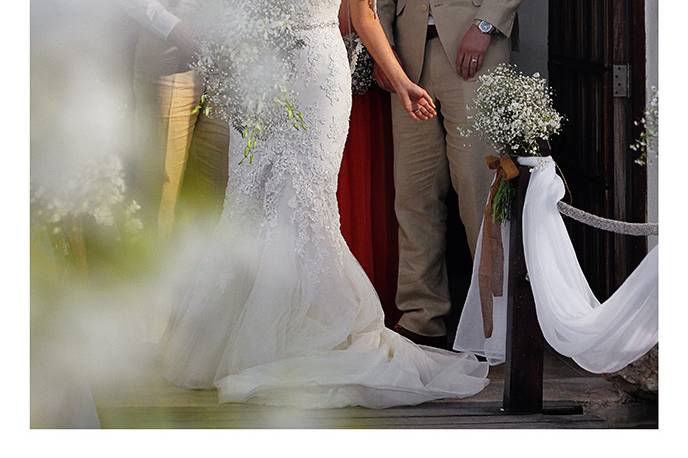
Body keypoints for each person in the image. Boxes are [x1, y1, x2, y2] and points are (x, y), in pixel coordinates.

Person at [160, 0, 489, 409]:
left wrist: (400, 80)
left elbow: (362, 14)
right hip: (256, 78)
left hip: (318, 77)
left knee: (305, 205)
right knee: (250, 202)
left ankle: (307, 335)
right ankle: (247, 338)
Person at [376, 0, 522, 348]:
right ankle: (420, 316)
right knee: (414, 193)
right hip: (407, 59)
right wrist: (383, 47)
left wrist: (486, 24)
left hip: (477, 48)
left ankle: (497, 320)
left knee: (479, 189)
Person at [119, 0, 230, 237]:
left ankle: (200, 267)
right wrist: (173, 28)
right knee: (161, 189)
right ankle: (152, 268)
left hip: (226, 69)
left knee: (216, 186)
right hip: (168, 59)